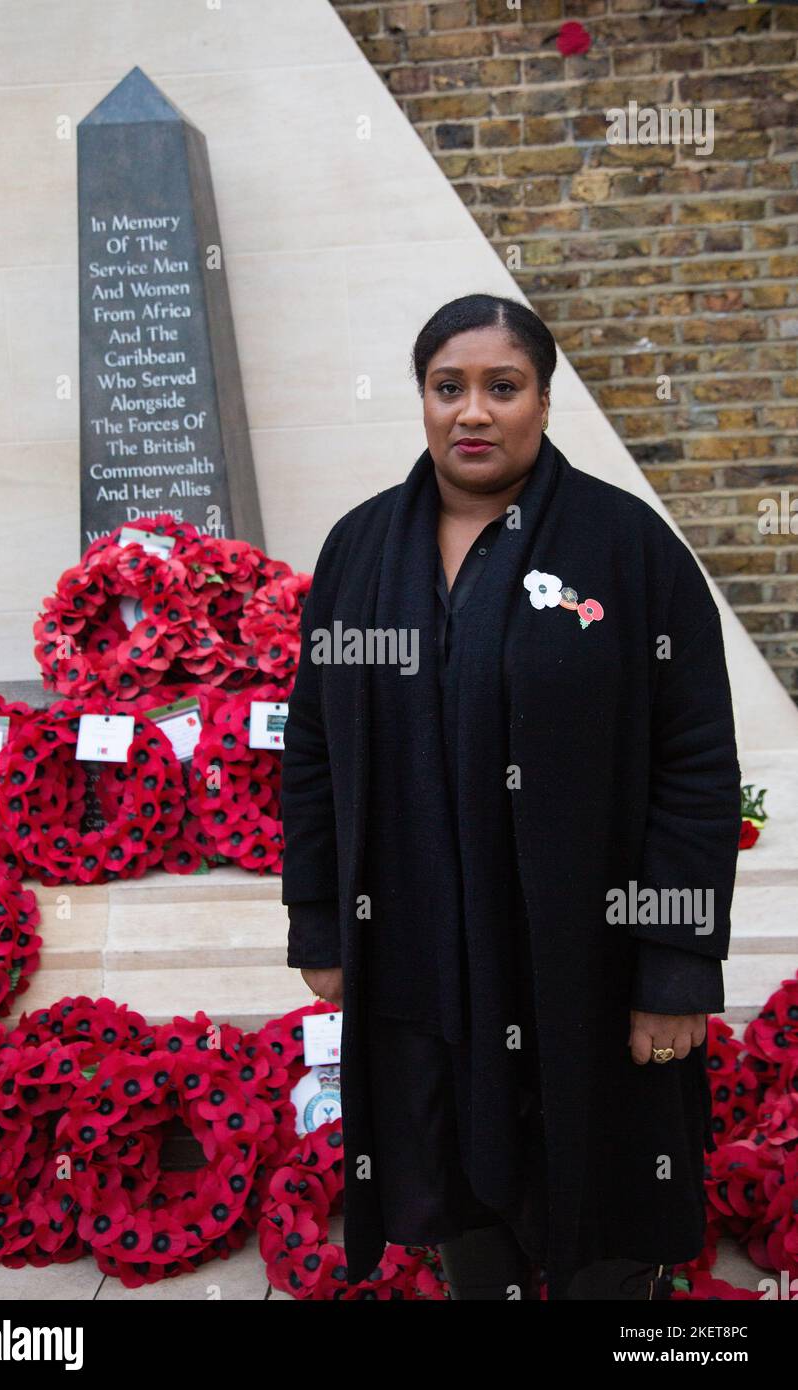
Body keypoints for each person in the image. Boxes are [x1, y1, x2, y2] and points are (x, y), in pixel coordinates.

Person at [280, 294, 742, 1300]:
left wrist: (671, 962)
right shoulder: (358, 555)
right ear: (423, 401)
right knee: (453, 1188)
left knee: (603, 1209)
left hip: (586, 953)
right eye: (449, 388)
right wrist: (319, 915)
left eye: (501, 386)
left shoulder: (628, 551)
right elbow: (311, 743)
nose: (472, 412)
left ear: (541, 397)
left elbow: (694, 760)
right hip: (419, 955)